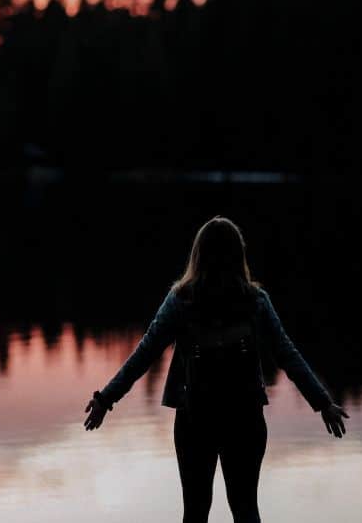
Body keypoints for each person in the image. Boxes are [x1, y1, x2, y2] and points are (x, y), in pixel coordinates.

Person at [83, 216, 348, 523]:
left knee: (195, 512)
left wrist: (106, 400)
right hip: (245, 419)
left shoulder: (181, 301)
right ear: (239, 256)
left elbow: (146, 354)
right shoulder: (255, 301)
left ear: (197, 255)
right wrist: (323, 403)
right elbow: (287, 355)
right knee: (246, 510)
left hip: (195, 419)